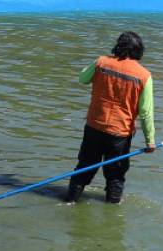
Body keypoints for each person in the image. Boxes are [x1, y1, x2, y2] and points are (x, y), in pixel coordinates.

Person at [66, 31, 156, 205]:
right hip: (120, 134)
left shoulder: (101, 62)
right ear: (139, 50)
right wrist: (150, 140)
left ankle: (70, 200)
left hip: (94, 126)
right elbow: (146, 112)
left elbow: (83, 78)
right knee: (116, 175)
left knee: (84, 167)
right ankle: (113, 209)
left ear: (118, 46)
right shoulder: (144, 75)